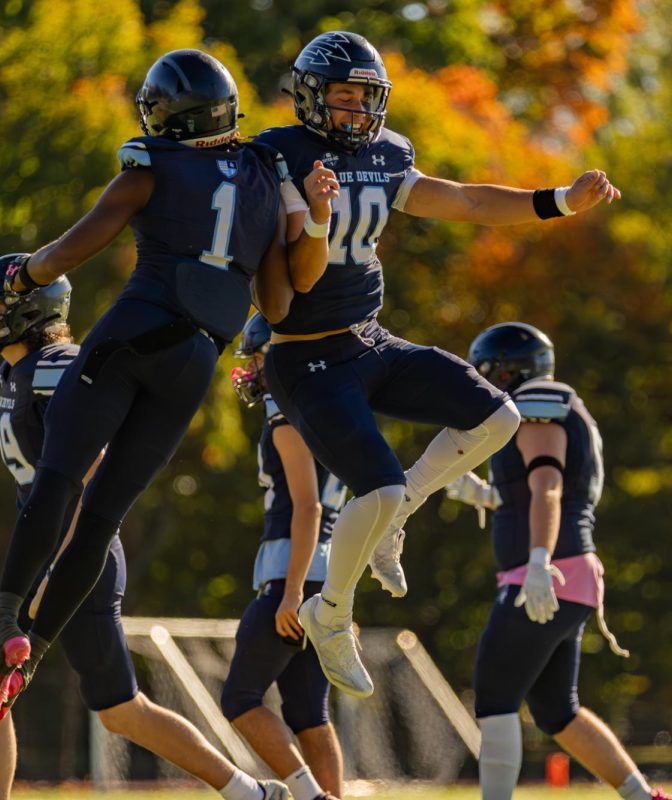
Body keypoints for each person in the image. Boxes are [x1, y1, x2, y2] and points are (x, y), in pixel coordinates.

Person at [0, 48, 331, 800]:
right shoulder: (266, 176)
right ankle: (30, 653)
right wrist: (305, 224)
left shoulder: (151, 163)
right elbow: (278, 305)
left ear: (165, 114)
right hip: (196, 360)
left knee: (60, 482)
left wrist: (27, 273)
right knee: (100, 519)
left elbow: (90, 234)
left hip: (133, 330)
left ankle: (7, 618)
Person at [253, 30, 621, 697]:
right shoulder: (277, 155)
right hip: (306, 358)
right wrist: (310, 214)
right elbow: (283, 277)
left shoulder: (388, 154)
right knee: (380, 485)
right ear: (309, 97)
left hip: (366, 339)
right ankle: (330, 610)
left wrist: (558, 201)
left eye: (367, 97)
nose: (358, 110)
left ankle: (397, 519)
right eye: (343, 96)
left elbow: (467, 200)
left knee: (497, 415)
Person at [445, 323, 672, 800]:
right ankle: (643, 796)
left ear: (508, 370)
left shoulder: (538, 404)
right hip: (566, 573)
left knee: (494, 693)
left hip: (549, 572)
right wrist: (488, 496)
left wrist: (536, 561)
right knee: (557, 712)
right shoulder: (546, 406)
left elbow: (548, 486)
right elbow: (538, 491)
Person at [220, 312, 345, 800]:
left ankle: (311, 797)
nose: (251, 369)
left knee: (240, 699)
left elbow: (309, 507)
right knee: (308, 712)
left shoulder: (285, 417)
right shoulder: (331, 412)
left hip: (293, 575)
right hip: (325, 575)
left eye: (256, 357)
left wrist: (291, 590)